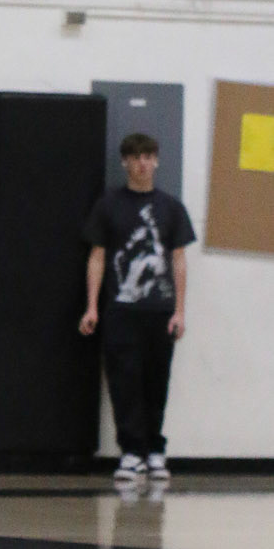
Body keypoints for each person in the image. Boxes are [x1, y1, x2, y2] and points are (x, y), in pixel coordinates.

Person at [80, 131, 195, 487]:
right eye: (135, 158)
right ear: (125, 162)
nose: (142, 163)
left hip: (160, 311)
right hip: (120, 311)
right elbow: (97, 257)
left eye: (148, 157)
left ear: (156, 161)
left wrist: (179, 310)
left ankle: (154, 451)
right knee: (124, 382)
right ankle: (131, 452)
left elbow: (178, 260)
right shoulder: (109, 205)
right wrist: (92, 307)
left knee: (156, 382)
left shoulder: (171, 208)